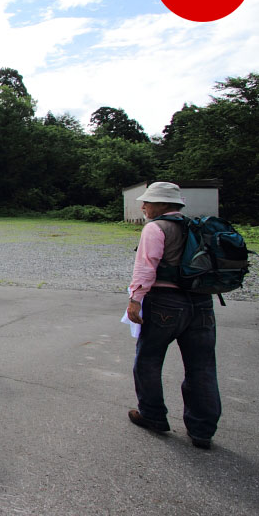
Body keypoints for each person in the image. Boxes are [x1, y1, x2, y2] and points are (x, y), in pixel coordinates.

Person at [125, 182, 220, 449]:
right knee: (202, 366)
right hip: (202, 303)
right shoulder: (196, 226)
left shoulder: (156, 228)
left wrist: (135, 301)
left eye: (147, 202)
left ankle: (152, 414)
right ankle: (202, 430)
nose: (143, 206)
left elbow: (146, 267)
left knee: (148, 359)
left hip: (165, 303)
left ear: (162, 204)